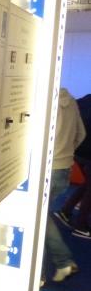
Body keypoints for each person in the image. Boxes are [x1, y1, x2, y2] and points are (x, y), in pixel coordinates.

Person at [44, 88, 85, 281]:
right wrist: (66, 153)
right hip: (64, 169)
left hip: (47, 168)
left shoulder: (43, 99)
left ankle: (62, 262)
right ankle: (61, 263)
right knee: (42, 215)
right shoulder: (72, 101)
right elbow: (81, 134)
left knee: (38, 217)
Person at [56, 93, 91, 240]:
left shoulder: (85, 100)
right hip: (86, 151)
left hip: (78, 150)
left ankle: (65, 211)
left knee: (88, 184)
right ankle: (81, 226)